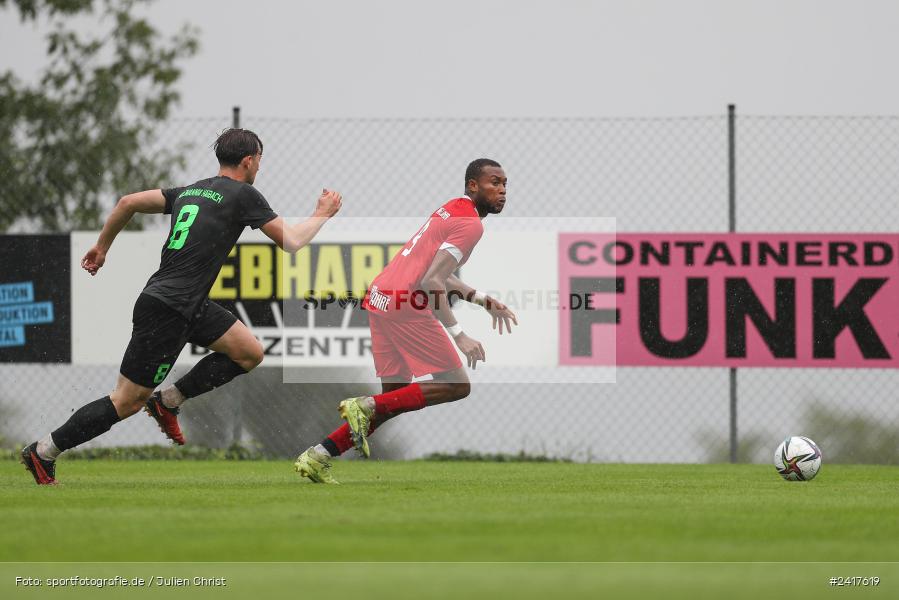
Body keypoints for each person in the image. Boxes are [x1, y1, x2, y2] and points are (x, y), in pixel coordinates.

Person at [21, 128, 342, 485]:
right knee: (126, 401)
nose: (259, 168)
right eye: (260, 161)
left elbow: (127, 202)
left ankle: (168, 400)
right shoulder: (243, 194)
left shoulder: (190, 191)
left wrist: (102, 247)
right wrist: (322, 212)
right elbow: (293, 241)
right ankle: (44, 451)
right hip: (169, 307)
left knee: (249, 352)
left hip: (188, 305)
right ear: (249, 160)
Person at [294, 158, 517, 484]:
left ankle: (318, 455)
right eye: (493, 183)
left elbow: (436, 273)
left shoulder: (453, 208)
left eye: (504, 184)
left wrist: (482, 300)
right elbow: (432, 281)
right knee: (457, 385)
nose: (501, 190)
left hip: (381, 296)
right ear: (473, 185)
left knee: (393, 400)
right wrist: (460, 335)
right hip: (405, 304)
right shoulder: (472, 225)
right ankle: (364, 403)